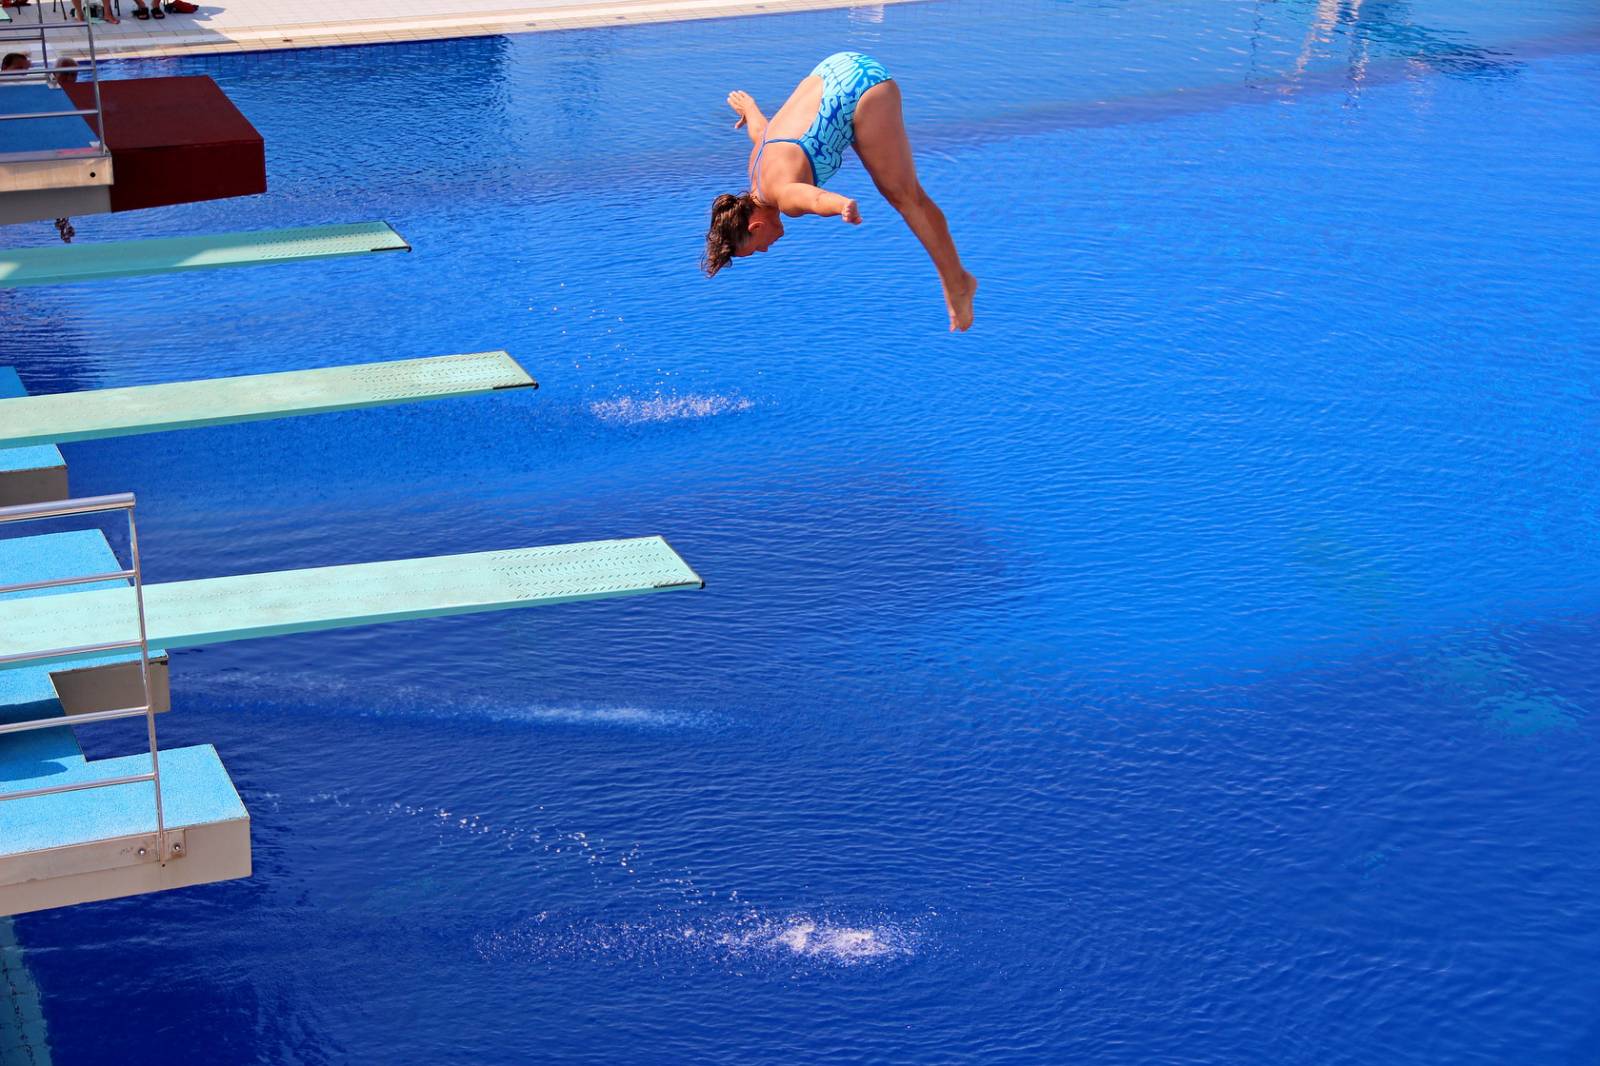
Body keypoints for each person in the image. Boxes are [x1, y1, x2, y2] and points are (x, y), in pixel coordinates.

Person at [707, 52, 976, 332]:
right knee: (892, 183)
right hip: (836, 67)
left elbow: (813, 198)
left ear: (755, 225)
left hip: (863, 90)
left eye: (756, 248)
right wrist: (749, 107)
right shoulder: (756, 167)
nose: (765, 249)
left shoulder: (783, 198)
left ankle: (958, 284)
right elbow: (761, 130)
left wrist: (841, 205)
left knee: (906, 198)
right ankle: (957, 281)